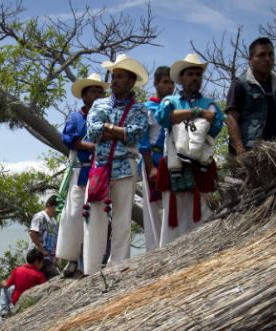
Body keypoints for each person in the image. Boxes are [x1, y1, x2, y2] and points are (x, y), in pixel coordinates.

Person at [82, 54, 149, 275]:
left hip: (124, 169)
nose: (115, 80)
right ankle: (92, 270)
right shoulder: (99, 103)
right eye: (114, 76)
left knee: (122, 219)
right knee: (95, 218)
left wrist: (107, 128)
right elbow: (92, 131)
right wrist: (120, 132)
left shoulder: (139, 109)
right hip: (101, 168)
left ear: (131, 81)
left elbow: (136, 134)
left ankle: (118, 267)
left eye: (121, 76)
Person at [155, 54, 224, 246]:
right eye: (190, 74)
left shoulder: (211, 103)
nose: (195, 78)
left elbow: (216, 125)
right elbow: (164, 117)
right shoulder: (170, 101)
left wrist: (187, 120)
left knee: (203, 212)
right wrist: (198, 114)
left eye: (198, 74)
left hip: (201, 164)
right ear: (181, 78)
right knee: (173, 214)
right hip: (174, 165)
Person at [56, 73, 108, 277]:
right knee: (74, 215)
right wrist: (92, 146)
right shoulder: (76, 118)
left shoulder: (107, 115)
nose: (97, 95)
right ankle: (71, 261)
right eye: (93, 91)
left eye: (99, 92)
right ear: (84, 95)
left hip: (101, 171)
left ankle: (93, 263)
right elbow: (69, 138)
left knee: (97, 216)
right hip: (81, 170)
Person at [225, 37, 276, 172]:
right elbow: (232, 119)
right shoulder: (240, 84)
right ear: (251, 60)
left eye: (270, 54)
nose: (267, 58)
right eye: (261, 55)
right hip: (251, 152)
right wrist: (241, 153)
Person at [138, 66, 174, 252]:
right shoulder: (147, 109)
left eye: (172, 82)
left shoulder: (175, 106)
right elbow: (142, 140)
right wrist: (150, 166)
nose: (169, 86)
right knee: (153, 207)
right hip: (152, 160)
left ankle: (170, 245)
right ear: (156, 84)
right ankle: (154, 250)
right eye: (165, 82)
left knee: (171, 204)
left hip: (171, 161)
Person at [0, 248, 46, 318]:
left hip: (16, 301)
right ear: (37, 262)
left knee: (5, 289)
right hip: (28, 302)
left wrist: (0, 282)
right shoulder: (39, 275)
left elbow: (6, 285)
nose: (42, 264)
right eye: (42, 262)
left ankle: (4, 310)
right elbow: (44, 289)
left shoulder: (17, 270)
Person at [29, 195, 60, 280]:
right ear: (49, 205)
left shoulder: (54, 221)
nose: (56, 211)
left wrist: (56, 256)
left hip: (49, 259)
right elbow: (33, 233)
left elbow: (55, 239)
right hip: (39, 258)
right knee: (55, 278)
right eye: (55, 208)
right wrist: (41, 249)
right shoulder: (40, 216)